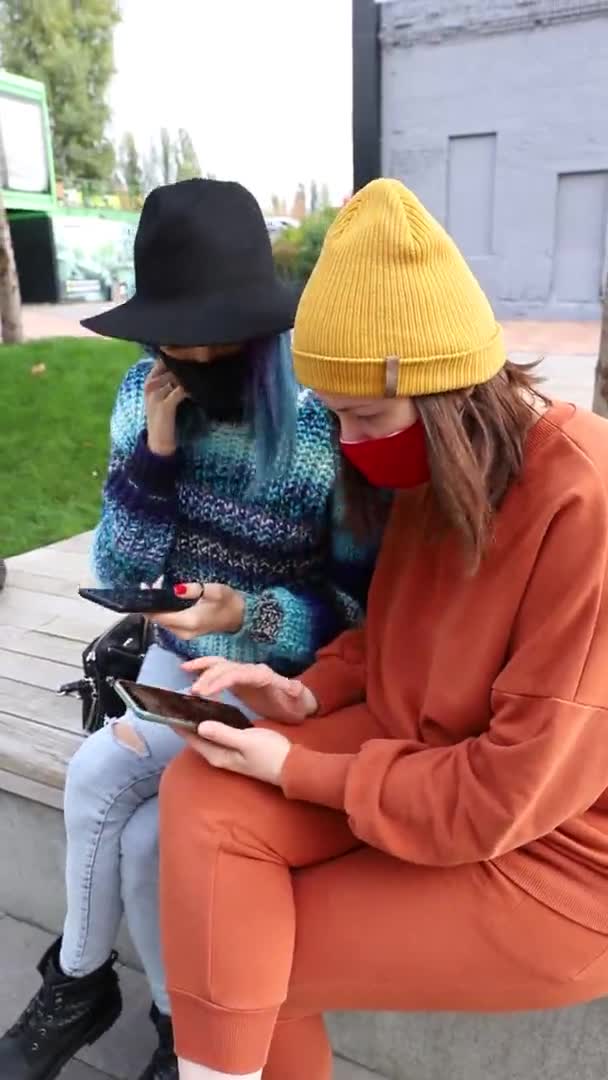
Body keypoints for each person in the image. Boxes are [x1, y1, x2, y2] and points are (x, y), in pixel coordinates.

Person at [157, 178, 608, 1080]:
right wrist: (308, 689)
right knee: (199, 790)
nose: (352, 442)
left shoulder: (585, 502)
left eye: (367, 415)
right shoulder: (449, 466)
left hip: (549, 856)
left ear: (450, 395)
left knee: (254, 956)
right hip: (409, 752)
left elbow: (504, 795)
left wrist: (303, 766)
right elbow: (390, 633)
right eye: (333, 414)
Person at [0, 180, 381, 1080]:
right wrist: (156, 450)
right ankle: (167, 1029)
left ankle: (87, 991)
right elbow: (121, 572)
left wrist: (249, 615)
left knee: (104, 786)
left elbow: (362, 616)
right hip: (177, 674)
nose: (200, 355)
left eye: (223, 340)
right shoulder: (146, 394)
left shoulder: (322, 424)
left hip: (278, 693)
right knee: (135, 838)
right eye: (181, 338)